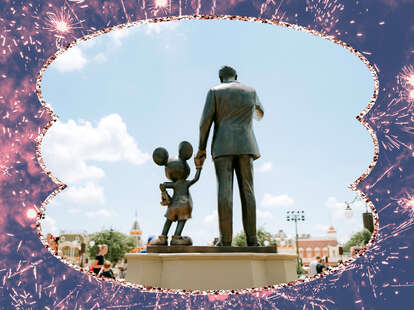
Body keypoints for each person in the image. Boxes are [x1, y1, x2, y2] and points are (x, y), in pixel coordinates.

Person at [194, 65, 264, 246]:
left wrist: (201, 148)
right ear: (236, 76)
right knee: (248, 191)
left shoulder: (214, 92)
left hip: (222, 146)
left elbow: (205, 123)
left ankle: (225, 240)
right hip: (246, 144)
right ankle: (252, 240)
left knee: (224, 191)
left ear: (220, 78)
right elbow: (260, 114)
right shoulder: (251, 91)